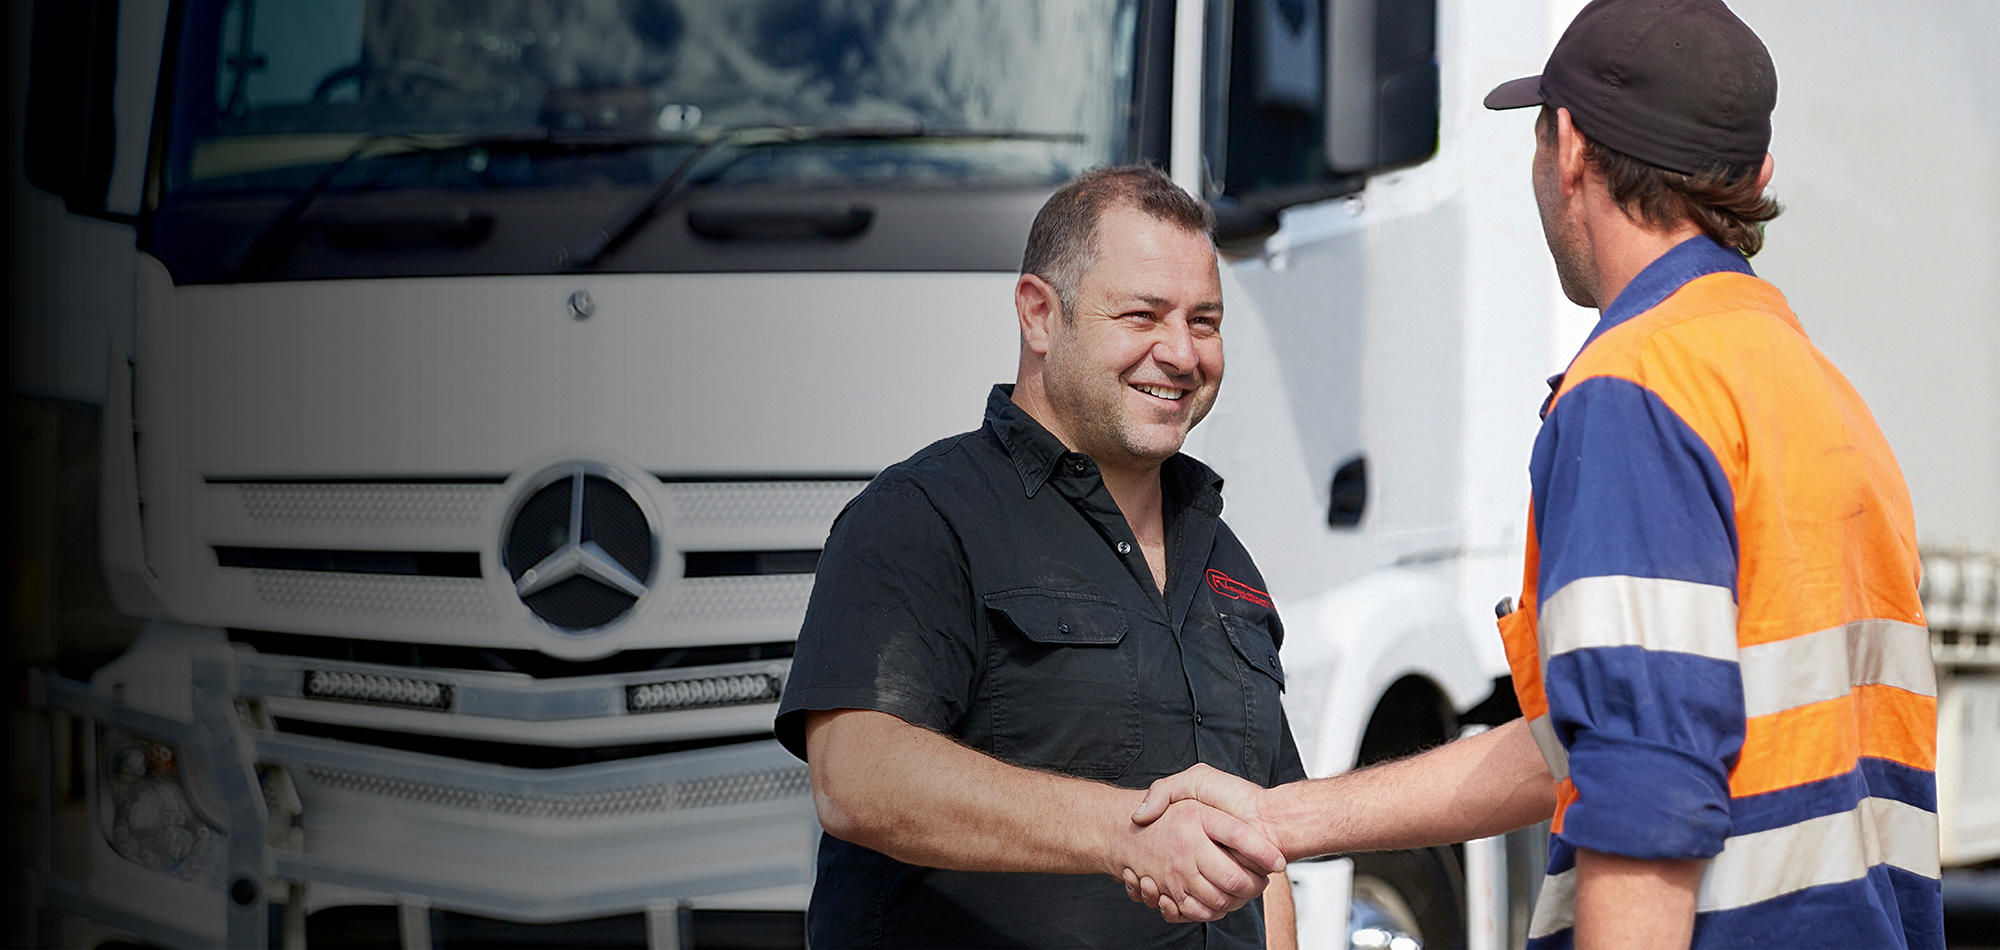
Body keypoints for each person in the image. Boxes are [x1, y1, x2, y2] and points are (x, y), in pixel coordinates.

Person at [1127, 1, 1944, 947]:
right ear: (1755, 176)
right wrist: (1276, 819)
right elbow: (1592, 737)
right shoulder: (1819, 393)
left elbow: (1644, 797)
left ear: (1572, 151)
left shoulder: (1637, 393)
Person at [774, 164, 1305, 948]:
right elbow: (857, 776)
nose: (1182, 353)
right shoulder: (922, 518)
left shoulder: (1227, 562)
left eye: (1204, 321)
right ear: (1039, 315)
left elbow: (1264, 847)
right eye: (1142, 315)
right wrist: (1124, 834)